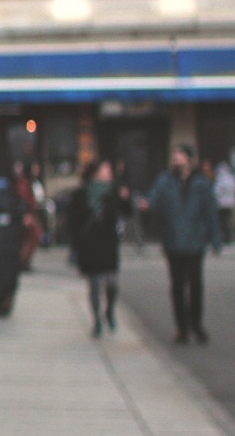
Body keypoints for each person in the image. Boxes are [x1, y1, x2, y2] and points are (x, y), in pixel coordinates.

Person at [142, 144, 222, 344]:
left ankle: (196, 324)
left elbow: (210, 212)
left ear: (189, 159)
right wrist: (147, 203)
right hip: (173, 241)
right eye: (175, 155)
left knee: (195, 285)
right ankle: (182, 328)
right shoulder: (165, 180)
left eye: (180, 155)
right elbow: (154, 198)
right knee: (177, 287)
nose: (176, 159)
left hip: (195, 241)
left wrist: (216, 240)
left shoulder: (201, 182)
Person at [66, 159, 132, 337]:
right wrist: (75, 244)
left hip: (108, 243)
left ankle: (109, 310)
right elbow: (73, 220)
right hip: (89, 244)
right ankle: (97, 321)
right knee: (94, 284)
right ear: (95, 173)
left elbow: (127, 211)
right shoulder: (82, 193)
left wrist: (126, 199)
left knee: (112, 283)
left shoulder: (114, 191)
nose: (109, 172)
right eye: (105, 169)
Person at [211, 159, 235, 244]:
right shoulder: (232, 179)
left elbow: (216, 192)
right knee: (227, 222)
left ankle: (224, 237)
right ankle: (228, 237)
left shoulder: (220, 180)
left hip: (221, 204)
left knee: (222, 222)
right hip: (230, 204)